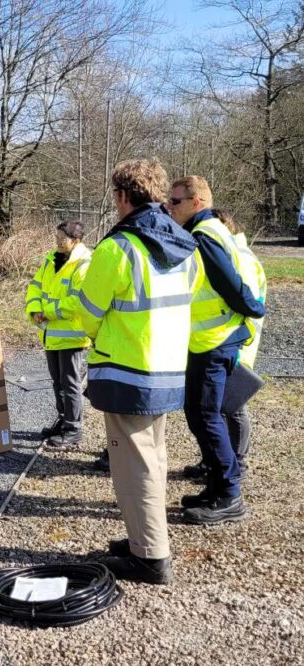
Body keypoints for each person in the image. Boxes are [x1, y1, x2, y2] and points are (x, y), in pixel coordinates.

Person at [77, 158, 201, 585]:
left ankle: (149, 556)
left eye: (115, 197)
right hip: (167, 369)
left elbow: (86, 314)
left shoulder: (119, 247)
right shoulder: (185, 244)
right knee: (154, 459)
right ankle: (144, 542)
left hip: (128, 371)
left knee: (134, 467)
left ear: (123, 197)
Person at [167, 177, 265, 526]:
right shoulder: (209, 231)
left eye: (176, 201)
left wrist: (252, 308)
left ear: (197, 202)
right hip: (211, 340)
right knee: (200, 414)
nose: (170, 206)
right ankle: (215, 486)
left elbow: (230, 283)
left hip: (213, 341)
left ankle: (228, 495)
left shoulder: (204, 236)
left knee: (206, 416)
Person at [181, 208, 267, 483]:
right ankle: (215, 461)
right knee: (216, 408)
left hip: (236, 342)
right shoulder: (232, 252)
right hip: (223, 338)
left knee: (233, 405)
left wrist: (240, 346)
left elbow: (248, 303)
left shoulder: (243, 258)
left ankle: (238, 462)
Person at [25, 220, 92, 448]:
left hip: (71, 335)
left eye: (61, 238)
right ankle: (63, 421)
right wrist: (34, 309)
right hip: (52, 333)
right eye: (56, 237)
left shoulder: (84, 263)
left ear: (76, 240)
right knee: (58, 382)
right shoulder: (51, 259)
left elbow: (77, 300)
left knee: (70, 382)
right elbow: (35, 285)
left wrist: (49, 312)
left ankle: (73, 429)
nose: (57, 242)